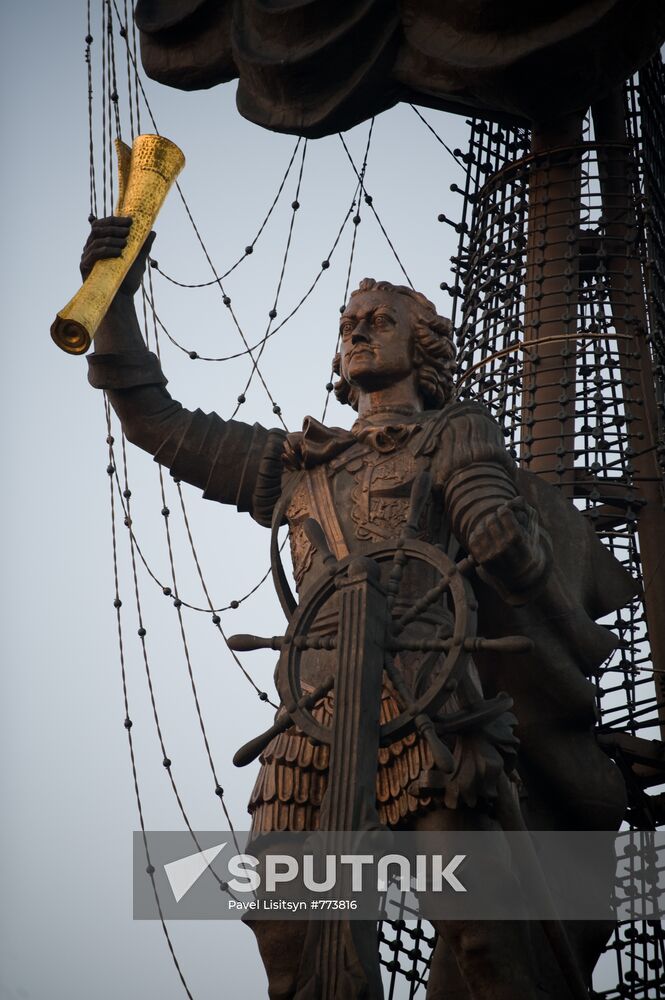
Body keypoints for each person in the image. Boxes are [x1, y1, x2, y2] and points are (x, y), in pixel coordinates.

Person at [80, 217, 636, 999]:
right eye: (349, 326)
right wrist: (114, 302)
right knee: (284, 920)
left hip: (427, 703)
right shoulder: (292, 464)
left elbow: (502, 542)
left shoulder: (453, 431)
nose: (360, 332)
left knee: (479, 931)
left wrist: (498, 531)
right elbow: (158, 423)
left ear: (425, 347)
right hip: (311, 714)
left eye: (380, 322)